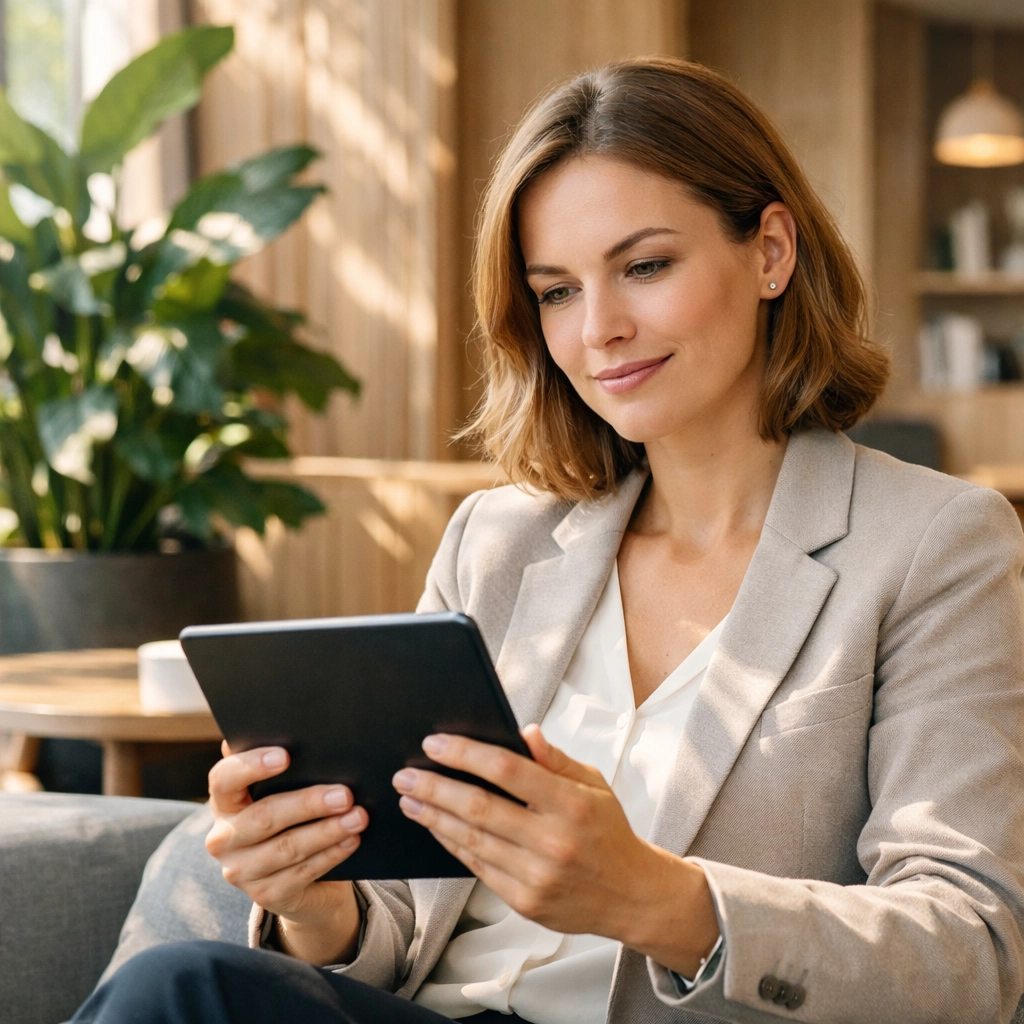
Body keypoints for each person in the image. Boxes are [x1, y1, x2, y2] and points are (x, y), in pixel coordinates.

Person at [73, 56, 1024, 1024]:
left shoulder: (934, 544)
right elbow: (397, 925)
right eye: (557, 290)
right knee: (185, 980)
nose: (599, 328)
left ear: (770, 251)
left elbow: (973, 950)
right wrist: (316, 908)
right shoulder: (497, 540)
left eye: (644, 267)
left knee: (176, 988)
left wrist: (654, 898)